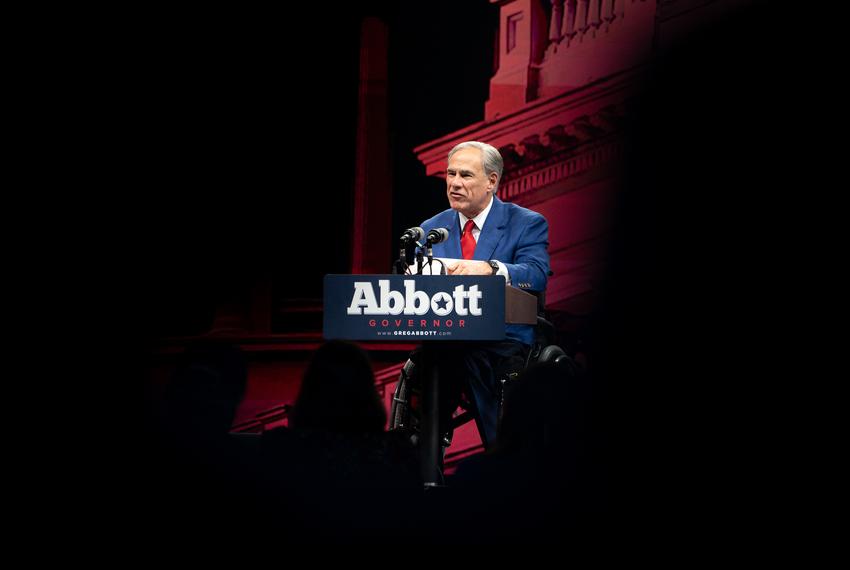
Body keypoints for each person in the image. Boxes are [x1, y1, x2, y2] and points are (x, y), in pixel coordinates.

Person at [414, 140, 550, 448]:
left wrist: (492, 269)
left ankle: (501, 452)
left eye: (465, 175)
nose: (455, 184)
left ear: (492, 181)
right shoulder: (431, 229)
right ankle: (425, 463)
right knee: (434, 358)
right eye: (451, 175)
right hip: (446, 338)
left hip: (503, 339)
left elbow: (537, 276)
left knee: (467, 356)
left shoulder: (526, 223)